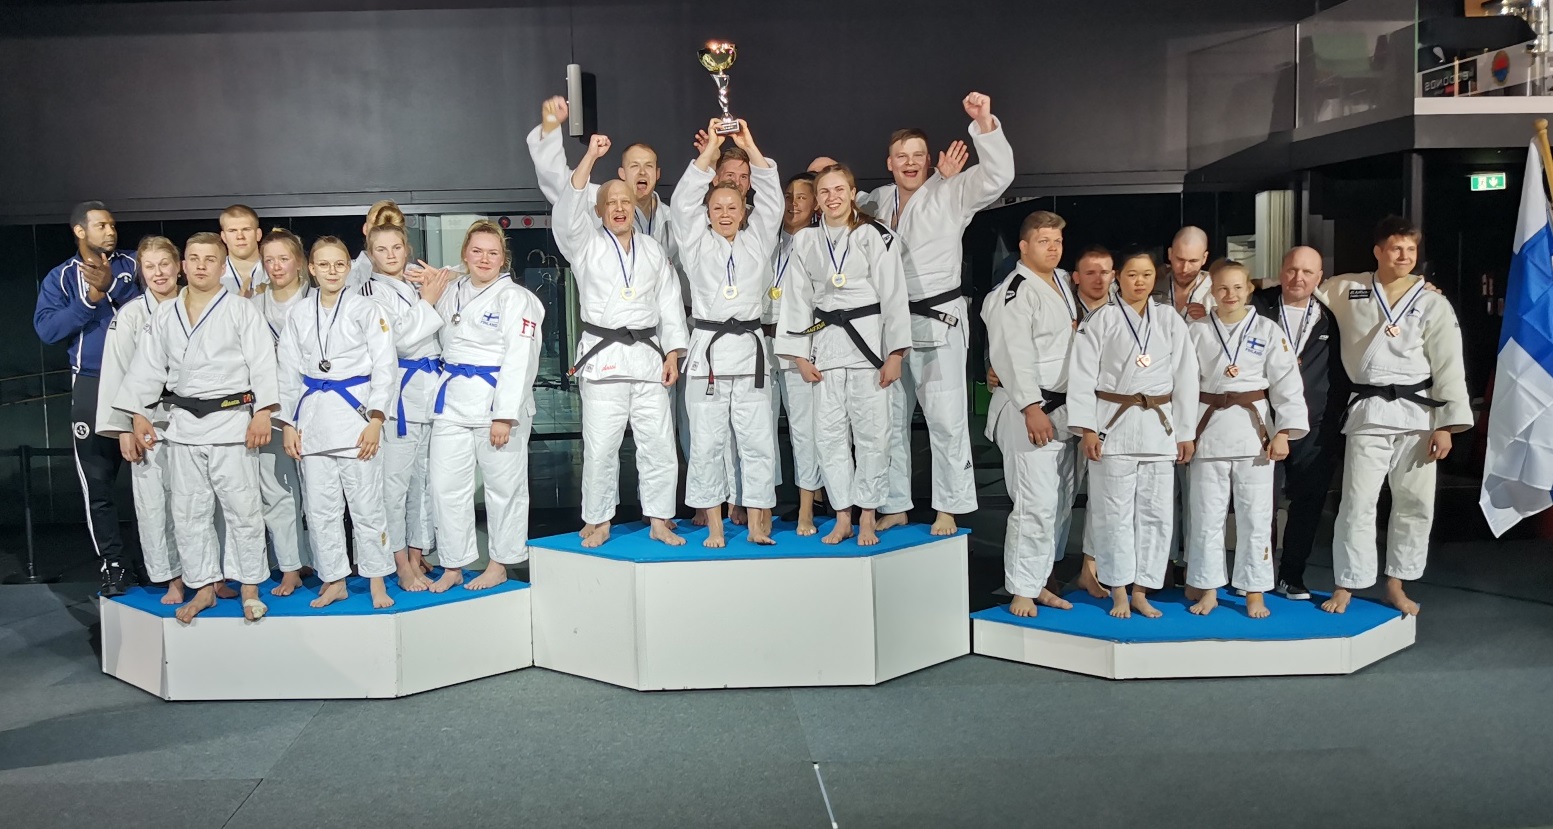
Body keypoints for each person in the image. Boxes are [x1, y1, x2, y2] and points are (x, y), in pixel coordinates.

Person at [857, 92, 1014, 536]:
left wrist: (984, 123)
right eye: (901, 156)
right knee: (889, 421)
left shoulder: (951, 192)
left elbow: (999, 175)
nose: (910, 163)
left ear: (929, 161)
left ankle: (949, 507)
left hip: (938, 319)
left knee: (946, 419)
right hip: (889, 326)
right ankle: (895, 504)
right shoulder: (875, 203)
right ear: (889, 162)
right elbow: (834, 195)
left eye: (918, 156)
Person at [113, 232, 279, 623]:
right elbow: (148, 368)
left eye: (210, 259)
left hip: (231, 422)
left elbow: (263, 363)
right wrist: (138, 414)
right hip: (183, 424)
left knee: (243, 508)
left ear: (222, 267)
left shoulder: (241, 310)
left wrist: (263, 412)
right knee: (188, 511)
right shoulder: (164, 314)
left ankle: (250, 588)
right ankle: (203, 587)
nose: (201, 265)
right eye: (194, 258)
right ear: (184, 265)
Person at [1316, 216, 1470, 616]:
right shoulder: (1348, 288)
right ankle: (1347, 583)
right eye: (1396, 248)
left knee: (1414, 502)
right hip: (1369, 410)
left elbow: (1449, 364)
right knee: (1357, 502)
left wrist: (1447, 425)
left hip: (1419, 414)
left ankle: (1397, 583)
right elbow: (1298, 290)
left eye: (1411, 250)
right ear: (1378, 251)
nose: (1404, 256)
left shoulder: (1433, 302)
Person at [557, 136, 687, 547]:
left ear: (634, 207)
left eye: (625, 202)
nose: (618, 207)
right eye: (610, 202)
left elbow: (669, 304)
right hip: (605, 360)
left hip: (648, 360)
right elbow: (569, 210)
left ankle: (660, 518)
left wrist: (673, 353)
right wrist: (590, 157)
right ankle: (598, 520)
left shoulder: (652, 250)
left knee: (659, 446)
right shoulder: (585, 245)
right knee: (600, 448)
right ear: (598, 211)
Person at [775, 163, 911, 546]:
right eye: (824, 192)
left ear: (852, 194)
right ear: (817, 201)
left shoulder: (875, 235)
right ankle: (842, 515)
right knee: (829, 436)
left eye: (839, 190)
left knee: (873, 435)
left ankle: (868, 515)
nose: (832, 197)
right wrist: (799, 355)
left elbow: (894, 295)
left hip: (869, 346)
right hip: (826, 347)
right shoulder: (806, 241)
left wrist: (896, 353)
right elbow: (797, 300)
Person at [1066, 251, 1197, 619]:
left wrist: (1186, 432)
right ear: (1118, 278)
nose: (1140, 282)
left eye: (1147, 275)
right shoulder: (1100, 320)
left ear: (1156, 278)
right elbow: (1081, 377)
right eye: (1132, 274)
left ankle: (1142, 589)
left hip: (1159, 428)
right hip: (1113, 426)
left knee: (1157, 514)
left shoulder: (1169, 320)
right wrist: (1087, 429)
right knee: (1113, 513)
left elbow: (1186, 377)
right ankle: (1119, 590)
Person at [671, 119, 782, 546]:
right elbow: (682, 202)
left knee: (757, 441)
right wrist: (711, 150)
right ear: (708, 213)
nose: (724, 214)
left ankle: (755, 521)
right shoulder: (695, 243)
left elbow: (772, 199)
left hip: (750, 353)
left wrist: (749, 144)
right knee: (707, 442)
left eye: (732, 208)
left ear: (744, 211)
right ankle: (714, 523)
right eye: (716, 208)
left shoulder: (758, 241)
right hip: (709, 354)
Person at [276, 237, 398, 609]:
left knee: (367, 506)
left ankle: (377, 578)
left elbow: (385, 365)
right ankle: (334, 579)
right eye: (324, 265)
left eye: (340, 264)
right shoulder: (298, 313)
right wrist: (289, 423)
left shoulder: (366, 308)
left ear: (348, 267)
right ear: (311, 269)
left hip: (356, 417)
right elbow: (287, 372)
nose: (332, 271)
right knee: (320, 510)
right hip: (313, 419)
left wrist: (376, 419)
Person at [425, 221, 546, 589]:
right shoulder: (450, 289)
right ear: (465, 253)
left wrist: (504, 415)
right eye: (476, 251)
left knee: (503, 487)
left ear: (503, 258)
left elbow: (521, 359)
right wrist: (448, 274)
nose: (484, 259)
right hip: (452, 401)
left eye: (493, 253)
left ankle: (500, 562)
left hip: (496, 401)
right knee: (445, 487)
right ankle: (453, 564)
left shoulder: (516, 298)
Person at [1183, 261, 1307, 618]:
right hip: (1208, 429)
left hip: (1255, 434)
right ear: (1212, 291)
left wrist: (1284, 432)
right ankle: (1208, 588)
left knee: (1256, 516)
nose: (1230, 295)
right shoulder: (1196, 331)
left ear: (1249, 289)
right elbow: (1184, 386)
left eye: (1237, 287)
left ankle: (1254, 591)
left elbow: (1287, 383)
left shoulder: (1268, 330)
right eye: (1222, 288)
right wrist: (1185, 434)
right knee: (1206, 516)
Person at [33, 201, 141, 596]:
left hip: (142, 384)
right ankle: (113, 563)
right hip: (92, 385)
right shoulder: (61, 277)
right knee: (98, 483)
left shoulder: (134, 264)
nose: (110, 231)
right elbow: (47, 330)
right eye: (100, 225)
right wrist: (88, 300)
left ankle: (160, 561)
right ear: (79, 231)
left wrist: (112, 286)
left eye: (112, 224)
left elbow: (159, 308)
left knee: (154, 480)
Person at [981, 211, 1081, 617]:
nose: (1053, 248)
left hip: (1065, 409)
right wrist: (1029, 406)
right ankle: (1021, 590)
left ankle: (1040, 581)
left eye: (1057, 241)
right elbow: (1011, 354)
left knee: (1058, 503)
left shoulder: (1063, 282)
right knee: (1033, 503)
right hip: (1030, 410)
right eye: (1043, 241)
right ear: (1024, 247)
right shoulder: (1014, 292)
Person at [1250, 246, 1348, 601]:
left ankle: (1291, 575)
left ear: (1319, 277)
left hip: (1315, 424)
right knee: (1260, 504)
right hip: (1262, 422)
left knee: (1307, 503)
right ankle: (1255, 575)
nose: (1298, 278)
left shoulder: (1334, 315)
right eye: (1292, 270)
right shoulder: (1255, 306)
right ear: (1281, 270)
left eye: (1308, 272)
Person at [359, 213, 449, 591]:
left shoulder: (414, 283)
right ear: (370, 255)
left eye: (397, 247)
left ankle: (417, 552)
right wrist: (428, 301)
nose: (391, 255)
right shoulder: (370, 292)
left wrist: (433, 287)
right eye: (381, 249)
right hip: (399, 396)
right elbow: (396, 342)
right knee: (394, 488)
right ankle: (398, 561)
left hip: (431, 392)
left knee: (425, 482)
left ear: (407, 249)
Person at [95, 236, 182, 603]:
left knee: (199, 502)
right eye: (150, 267)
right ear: (141, 273)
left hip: (193, 416)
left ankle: (209, 574)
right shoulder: (130, 315)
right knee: (153, 504)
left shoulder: (198, 306)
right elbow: (116, 373)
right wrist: (123, 428)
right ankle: (170, 577)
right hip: (146, 419)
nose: (158, 273)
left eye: (164, 264)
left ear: (178, 266)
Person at [251, 228, 314, 596]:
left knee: (319, 493)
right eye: (269, 260)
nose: (276, 266)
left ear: (300, 262)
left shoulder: (318, 299)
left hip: (317, 405)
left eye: (283, 259)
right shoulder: (252, 306)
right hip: (270, 408)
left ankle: (324, 563)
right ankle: (290, 565)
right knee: (277, 491)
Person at [776, 172, 826, 535]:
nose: (794, 204)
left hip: (802, 346)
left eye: (802, 197)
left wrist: (807, 348)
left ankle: (808, 507)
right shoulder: (764, 237)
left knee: (804, 431)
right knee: (758, 433)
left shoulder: (822, 244)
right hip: (760, 342)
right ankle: (757, 505)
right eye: (788, 196)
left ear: (816, 204)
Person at [1154, 226, 1213, 321]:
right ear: (1170, 254)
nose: (1185, 269)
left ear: (1204, 258)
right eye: (1180, 260)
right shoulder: (1153, 285)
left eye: (1193, 261)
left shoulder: (1218, 290)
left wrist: (1208, 320)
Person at [346, 200, 408, 289]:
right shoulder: (345, 273)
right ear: (365, 228)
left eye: (391, 226)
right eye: (377, 226)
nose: (385, 233)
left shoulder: (419, 276)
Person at [219, 204, 267, 297]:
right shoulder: (214, 274)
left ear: (258, 234)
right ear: (224, 237)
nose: (240, 236)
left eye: (246, 229)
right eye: (232, 231)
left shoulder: (275, 271)